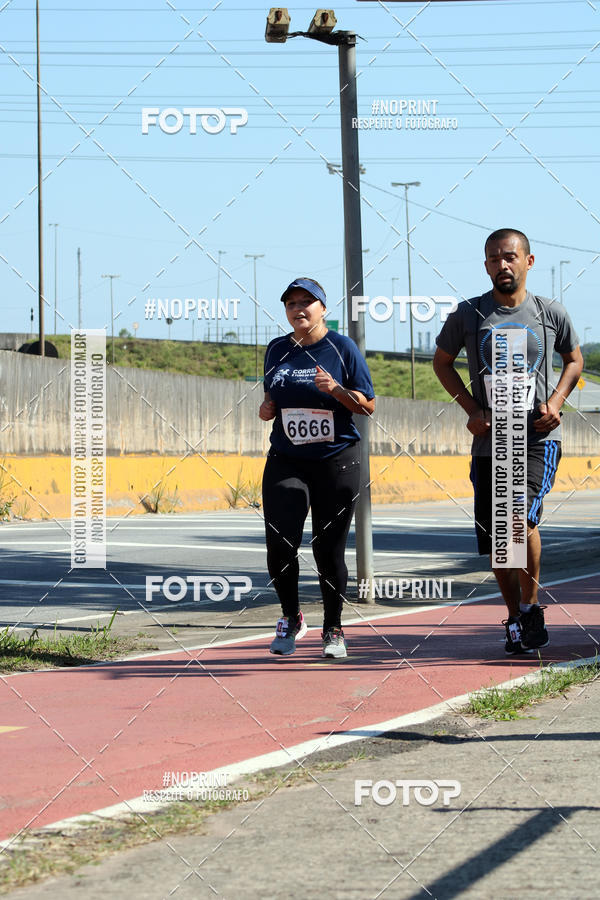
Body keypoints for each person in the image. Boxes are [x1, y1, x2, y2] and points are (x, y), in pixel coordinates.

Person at [433, 229, 583, 654]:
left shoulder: (550, 313)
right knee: (500, 538)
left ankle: (531, 608)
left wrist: (556, 402)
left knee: (518, 520)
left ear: (528, 261)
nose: (503, 264)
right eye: (494, 258)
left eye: (510, 257)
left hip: (536, 436)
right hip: (490, 441)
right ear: (486, 265)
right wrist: (471, 409)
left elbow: (574, 360)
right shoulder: (468, 314)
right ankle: (516, 617)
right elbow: (441, 363)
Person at [259, 277, 375, 658]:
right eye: (291, 303)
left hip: (336, 461)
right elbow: (272, 395)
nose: (298, 309)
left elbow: (368, 405)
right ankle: (291, 617)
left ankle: (333, 626)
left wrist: (337, 391)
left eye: (306, 302)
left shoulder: (342, 348)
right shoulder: (276, 349)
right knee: (280, 543)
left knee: (328, 549)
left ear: (323, 308)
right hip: (287, 459)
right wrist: (266, 408)